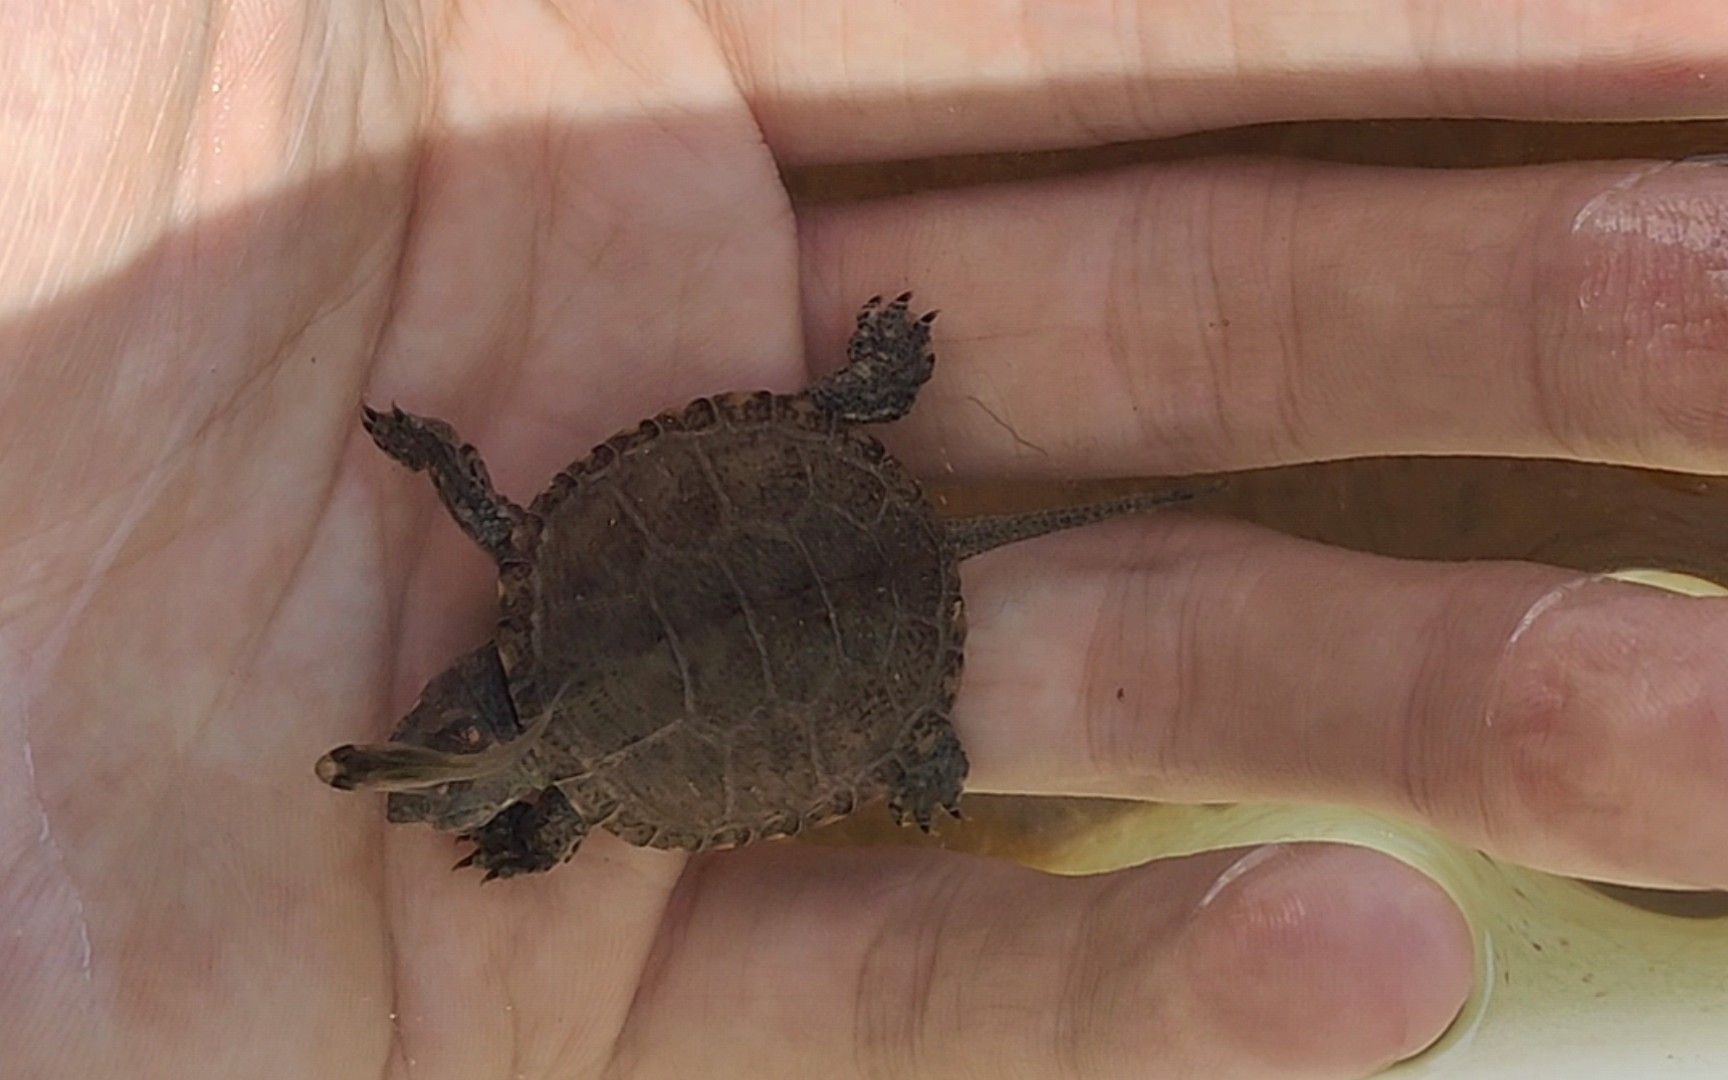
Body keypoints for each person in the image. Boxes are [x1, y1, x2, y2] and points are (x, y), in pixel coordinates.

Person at [5, 4, 1727, 1077]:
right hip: (813, 598)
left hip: (843, 665)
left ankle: (889, 538)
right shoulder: (544, 620)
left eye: (463, 747)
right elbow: (494, 531)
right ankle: (871, 434)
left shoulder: (587, 764)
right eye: (461, 763)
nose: (455, 738)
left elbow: (502, 578)